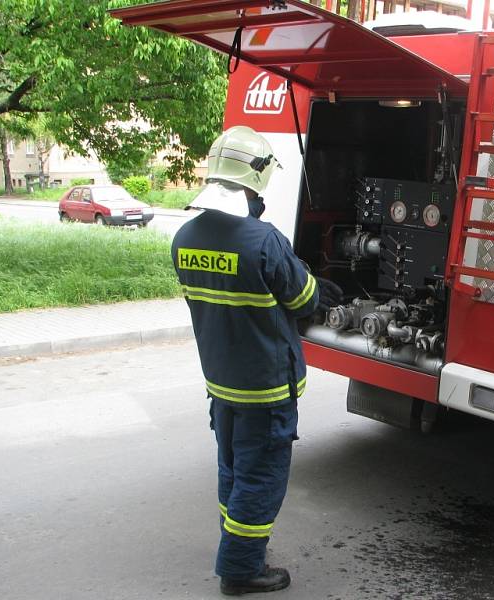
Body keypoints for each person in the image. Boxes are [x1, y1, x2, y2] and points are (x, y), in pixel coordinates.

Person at [171, 126, 341, 596]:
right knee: (261, 477)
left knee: (232, 469)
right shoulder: (262, 240)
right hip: (265, 389)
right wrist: (317, 285)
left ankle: (237, 544)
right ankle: (242, 568)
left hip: (222, 384)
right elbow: (304, 300)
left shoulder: (184, 238)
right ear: (255, 181)